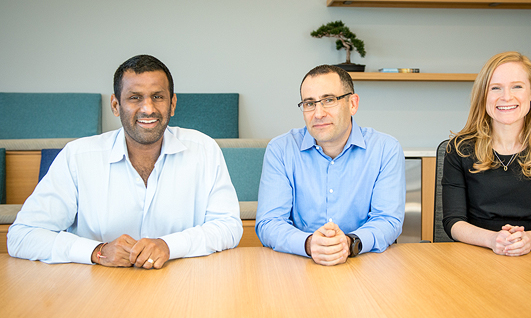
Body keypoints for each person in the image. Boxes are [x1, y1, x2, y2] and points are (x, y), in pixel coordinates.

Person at [7, 55, 242, 268]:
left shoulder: (204, 150)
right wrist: (96, 251)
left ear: (172, 104)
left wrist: (169, 245)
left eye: (158, 97)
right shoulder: (77, 156)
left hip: (182, 289)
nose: (148, 109)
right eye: (134, 98)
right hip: (96, 294)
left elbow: (229, 227)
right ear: (116, 105)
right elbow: (22, 236)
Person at [256, 64, 405, 266]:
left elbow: (388, 220)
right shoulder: (280, 150)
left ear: (353, 104)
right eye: (309, 103)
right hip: (299, 266)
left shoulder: (385, 149)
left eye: (329, 100)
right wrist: (309, 244)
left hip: (364, 265)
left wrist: (348, 243)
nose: (318, 113)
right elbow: (269, 222)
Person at [442, 51, 531, 256]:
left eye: (517, 86)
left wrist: (530, 240)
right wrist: (493, 239)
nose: (506, 97)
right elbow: (453, 222)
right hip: (476, 253)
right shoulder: (459, 148)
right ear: (483, 95)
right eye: (495, 88)